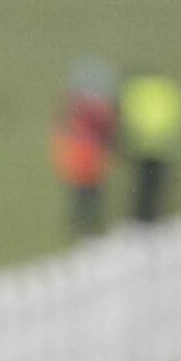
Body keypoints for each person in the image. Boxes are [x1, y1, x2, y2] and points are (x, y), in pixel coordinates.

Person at [50, 56, 118, 236]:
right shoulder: (99, 109)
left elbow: (61, 130)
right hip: (90, 162)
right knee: (88, 198)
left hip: (82, 162)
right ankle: (87, 229)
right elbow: (109, 133)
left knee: (83, 198)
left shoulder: (74, 107)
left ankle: (83, 229)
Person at [118, 72, 181, 223]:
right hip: (164, 147)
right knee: (157, 187)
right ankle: (154, 218)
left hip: (142, 147)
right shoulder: (169, 90)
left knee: (142, 187)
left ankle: (141, 219)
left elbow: (128, 119)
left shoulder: (136, 90)